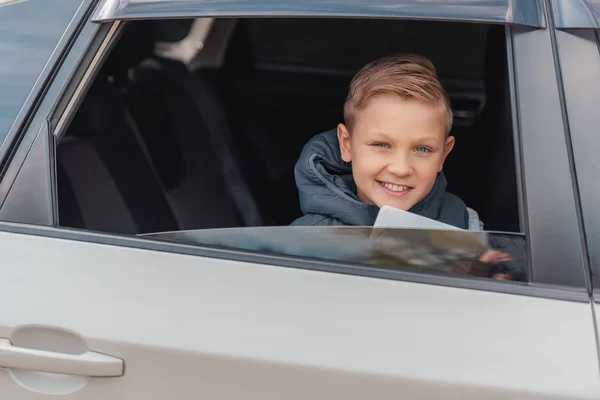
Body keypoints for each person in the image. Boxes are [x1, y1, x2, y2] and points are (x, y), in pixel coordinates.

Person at [291, 54, 482, 230]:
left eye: (422, 149)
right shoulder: (306, 240)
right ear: (346, 144)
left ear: (443, 155)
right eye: (381, 145)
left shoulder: (463, 224)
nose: (401, 169)